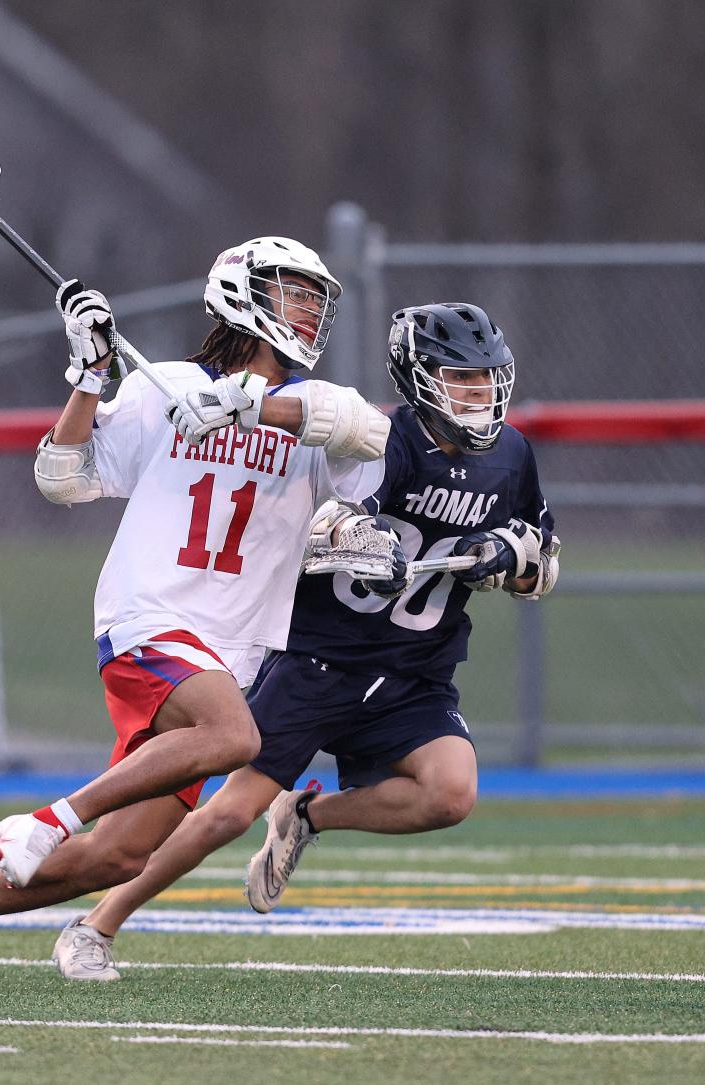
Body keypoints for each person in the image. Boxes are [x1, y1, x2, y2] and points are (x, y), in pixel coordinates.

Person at [0, 236, 391, 992]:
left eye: (315, 298)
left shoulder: (314, 409)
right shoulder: (166, 385)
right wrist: (89, 373)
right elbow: (63, 477)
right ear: (244, 297)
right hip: (151, 618)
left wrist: (251, 406)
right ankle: (50, 817)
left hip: (232, 650)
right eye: (292, 292)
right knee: (234, 736)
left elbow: (368, 435)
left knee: (119, 855)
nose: (309, 311)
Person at [45, 301, 561, 981]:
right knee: (226, 813)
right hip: (321, 655)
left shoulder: (512, 456)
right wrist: (366, 548)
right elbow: (327, 529)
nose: (478, 396)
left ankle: (310, 814)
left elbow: (544, 565)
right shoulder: (385, 442)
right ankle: (96, 924)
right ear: (419, 377)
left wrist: (508, 554)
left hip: (414, 668)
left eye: (486, 381)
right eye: (460, 379)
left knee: (451, 792)